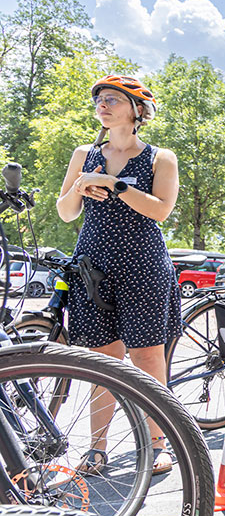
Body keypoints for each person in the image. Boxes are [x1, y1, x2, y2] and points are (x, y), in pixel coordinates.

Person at [56, 75, 181, 476]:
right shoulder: (84, 153)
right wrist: (81, 184)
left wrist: (113, 184)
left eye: (113, 99)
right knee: (103, 361)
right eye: (99, 99)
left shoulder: (160, 158)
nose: (103, 105)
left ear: (137, 110)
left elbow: (161, 210)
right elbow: (66, 211)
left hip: (142, 263)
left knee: (147, 356)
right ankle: (97, 448)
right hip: (93, 264)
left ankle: (160, 441)